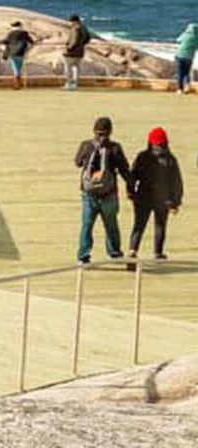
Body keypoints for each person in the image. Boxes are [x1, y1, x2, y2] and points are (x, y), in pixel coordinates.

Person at [74, 116, 130, 264]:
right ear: (110, 131)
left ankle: (83, 256)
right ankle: (114, 253)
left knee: (87, 225)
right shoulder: (115, 148)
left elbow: (78, 162)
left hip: (89, 193)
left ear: (94, 130)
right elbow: (124, 169)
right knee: (111, 224)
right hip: (109, 194)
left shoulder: (86, 145)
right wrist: (132, 186)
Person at [128, 128, 182, 262]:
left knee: (138, 226)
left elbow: (132, 176)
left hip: (142, 198)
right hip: (163, 199)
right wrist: (175, 202)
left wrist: (131, 193)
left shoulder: (142, 157)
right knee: (160, 226)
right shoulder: (170, 160)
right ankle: (158, 253)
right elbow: (176, 182)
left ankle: (132, 251)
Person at [0, 21, 34, 89]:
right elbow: (31, 41)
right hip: (21, 52)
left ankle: (17, 85)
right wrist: (28, 48)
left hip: (13, 53)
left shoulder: (11, 33)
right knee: (18, 68)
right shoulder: (24, 33)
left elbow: (6, 41)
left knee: (15, 68)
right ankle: (18, 84)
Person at [63, 14, 92, 91]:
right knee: (77, 68)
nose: (71, 23)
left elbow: (74, 40)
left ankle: (69, 83)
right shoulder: (84, 28)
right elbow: (88, 38)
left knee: (68, 68)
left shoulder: (75, 28)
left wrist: (69, 47)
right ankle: (75, 84)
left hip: (72, 52)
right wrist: (82, 44)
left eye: (71, 22)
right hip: (81, 51)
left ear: (74, 21)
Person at [173, 23, 198, 95]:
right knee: (187, 73)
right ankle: (187, 86)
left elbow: (178, 40)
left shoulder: (186, 35)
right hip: (189, 57)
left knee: (180, 73)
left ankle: (179, 89)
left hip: (179, 56)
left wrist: (185, 32)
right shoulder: (196, 38)